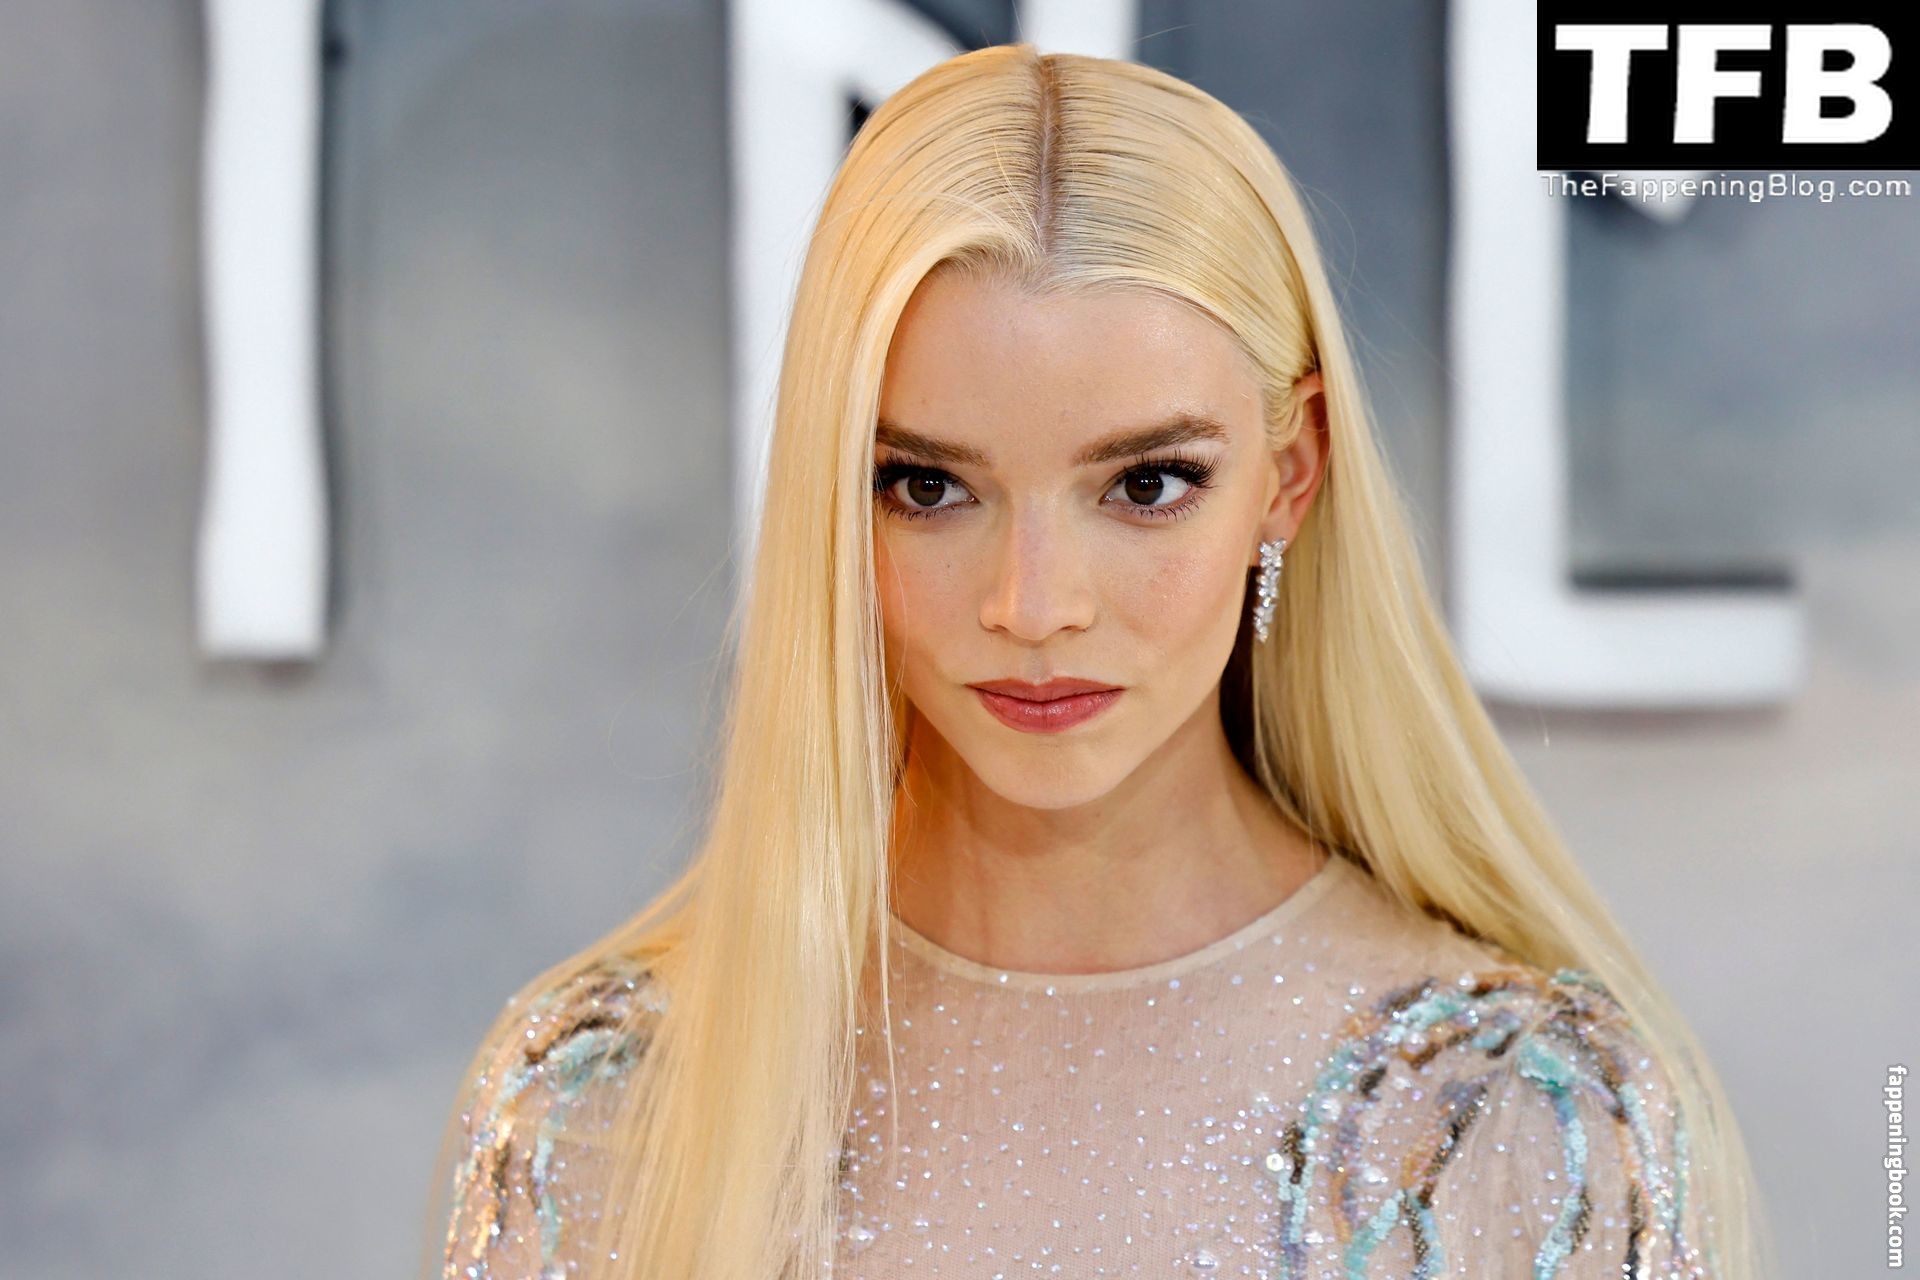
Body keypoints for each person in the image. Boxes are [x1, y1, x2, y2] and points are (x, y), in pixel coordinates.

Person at [418, 43, 1773, 1280]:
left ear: (1291, 472)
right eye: (928, 487)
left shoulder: (1513, 1119)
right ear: (832, 493)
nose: (1034, 604)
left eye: (1146, 484)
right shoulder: (602, 1106)